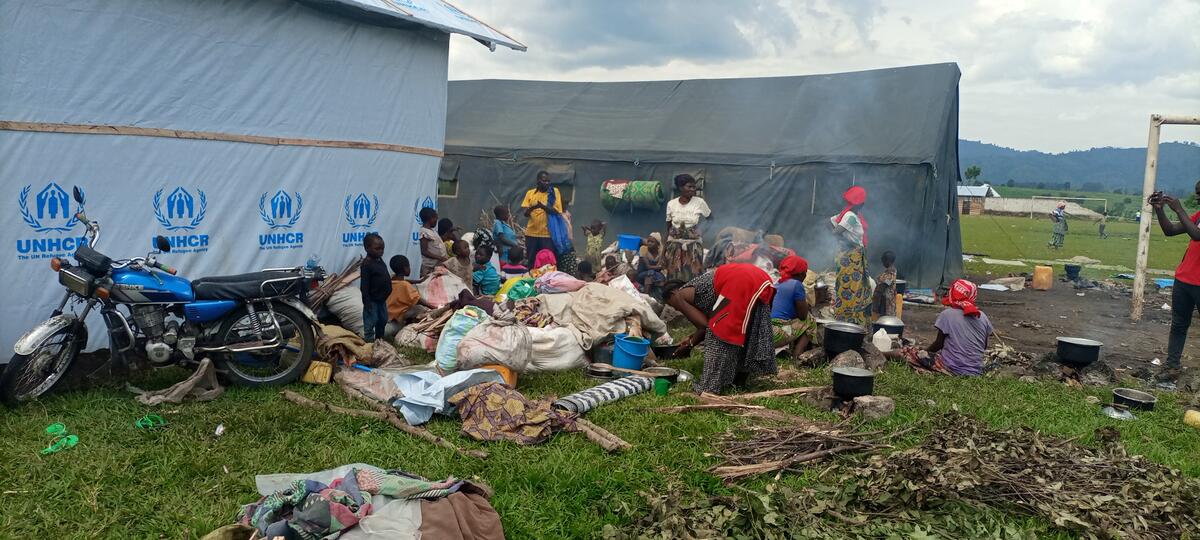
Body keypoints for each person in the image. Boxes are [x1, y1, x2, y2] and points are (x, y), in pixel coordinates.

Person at [667, 264, 777, 394]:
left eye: (671, 304)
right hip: (760, 278)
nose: (676, 309)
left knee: (720, 332)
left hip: (740, 281)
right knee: (748, 330)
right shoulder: (699, 287)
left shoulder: (679, 295)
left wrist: (690, 344)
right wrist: (691, 340)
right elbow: (706, 324)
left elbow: (706, 326)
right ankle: (739, 380)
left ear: (672, 293)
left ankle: (709, 388)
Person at [885, 279, 993, 376]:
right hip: (975, 370)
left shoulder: (947, 314)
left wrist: (923, 351)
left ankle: (881, 353)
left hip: (952, 369)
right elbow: (983, 346)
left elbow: (938, 344)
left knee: (905, 352)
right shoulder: (982, 316)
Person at [1150, 185, 1200, 388]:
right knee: (1179, 325)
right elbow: (1170, 231)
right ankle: (1172, 367)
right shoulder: (1199, 215)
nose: (1197, 198)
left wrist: (1179, 209)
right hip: (1184, 280)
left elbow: (1197, 235)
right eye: (1197, 194)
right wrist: (1159, 209)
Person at [830, 186, 870, 326]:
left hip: (849, 256)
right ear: (861, 204)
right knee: (851, 288)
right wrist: (848, 242)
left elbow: (829, 222)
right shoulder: (851, 216)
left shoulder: (846, 214)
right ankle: (848, 320)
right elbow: (836, 232)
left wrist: (844, 241)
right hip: (851, 257)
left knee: (848, 286)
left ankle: (846, 317)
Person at [664, 174, 711, 282]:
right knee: (674, 275)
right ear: (681, 188)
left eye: (694, 187)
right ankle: (674, 297)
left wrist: (702, 230)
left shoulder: (699, 202)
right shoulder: (671, 204)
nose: (692, 189)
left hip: (693, 247)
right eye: (689, 187)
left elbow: (711, 219)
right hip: (675, 247)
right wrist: (664, 252)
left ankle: (691, 297)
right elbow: (668, 228)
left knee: (694, 275)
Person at [771, 256, 818, 357]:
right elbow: (803, 316)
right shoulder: (797, 285)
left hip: (765, 331)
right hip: (777, 334)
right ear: (801, 273)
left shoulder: (777, 283)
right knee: (811, 320)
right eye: (805, 272)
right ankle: (797, 355)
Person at [521, 171, 564, 269]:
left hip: (547, 234)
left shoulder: (554, 192)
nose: (547, 183)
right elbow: (525, 214)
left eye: (548, 181)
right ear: (538, 181)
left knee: (547, 262)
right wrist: (532, 208)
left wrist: (542, 207)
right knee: (531, 261)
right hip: (531, 233)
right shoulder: (530, 193)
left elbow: (557, 211)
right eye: (544, 181)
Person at [385, 255, 437, 337]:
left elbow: (403, 281)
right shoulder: (405, 286)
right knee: (420, 309)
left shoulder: (392, 280)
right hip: (397, 317)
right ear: (405, 268)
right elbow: (418, 299)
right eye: (409, 266)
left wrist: (418, 281)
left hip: (388, 313)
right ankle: (409, 324)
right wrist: (434, 308)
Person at [359, 233, 392, 343]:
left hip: (382, 300)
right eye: (377, 248)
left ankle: (379, 340)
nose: (381, 251)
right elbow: (364, 285)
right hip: (372, 300)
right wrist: (366, 302)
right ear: (367, 248)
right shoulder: (366, 264)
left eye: (382, 248)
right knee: (371, 321)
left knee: (382, 320)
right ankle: (369, 343)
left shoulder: (379, 260)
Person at [417, 207, 448, 279]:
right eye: (435, 218)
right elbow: (424, 251)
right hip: (429, 267)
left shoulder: (432, 231)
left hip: (437, 266)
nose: (436, 221)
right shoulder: (424, 232)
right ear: (430, 218)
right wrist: (439, 257)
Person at [637, 232, 667, 297]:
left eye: (652, 242)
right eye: (648, 241)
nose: (649, 243)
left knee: (662, 278)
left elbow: (662, 265)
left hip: (654, 274)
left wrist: (661, 266)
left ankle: (661, 296)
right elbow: (648, 267)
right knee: (650, 273)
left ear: (657, 244)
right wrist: (659, 267)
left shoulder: (660, 252)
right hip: (642, 274)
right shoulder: (643, 249)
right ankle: (645, 296)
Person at [871, 250, 898, 318]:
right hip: (885, 304)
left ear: (887, 261)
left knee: (884, 324)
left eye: (883, 261)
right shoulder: (890, 272)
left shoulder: (890, 274)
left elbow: (884, 286)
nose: (882, 263)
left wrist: (875, 301)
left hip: (886, 305)